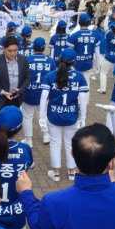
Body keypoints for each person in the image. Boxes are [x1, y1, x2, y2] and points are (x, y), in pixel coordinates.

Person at [39, 48, 89, 182]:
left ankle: (55, 173)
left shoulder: (50, 75)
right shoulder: (79, 76)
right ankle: (71, 172)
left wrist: (41, 117)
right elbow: (83, 100)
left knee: (55, 144)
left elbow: (44, 97)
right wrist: (83, 118)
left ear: (60, 59)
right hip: (71, 116)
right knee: (70, 144)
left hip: (53, 115)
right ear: (74, 61)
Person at [21, 37, 56, 147]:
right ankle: (46, 135)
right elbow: (54, 77)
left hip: (29, 93)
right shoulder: (50, 60)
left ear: (33, 47)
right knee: (43, 114)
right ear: (44, 48)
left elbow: (21, 77)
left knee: (27, 116)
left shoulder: (26, 59)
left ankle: (28, 140)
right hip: (44, 93)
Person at [0, 35, 31, 113]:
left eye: (15, 50)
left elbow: (28, 78)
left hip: (18, 99)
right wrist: (2, 92)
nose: (13, 53)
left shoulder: (23, 60)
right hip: (2, 101)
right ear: (4, 49)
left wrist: (20, 90)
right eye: (10, 50)